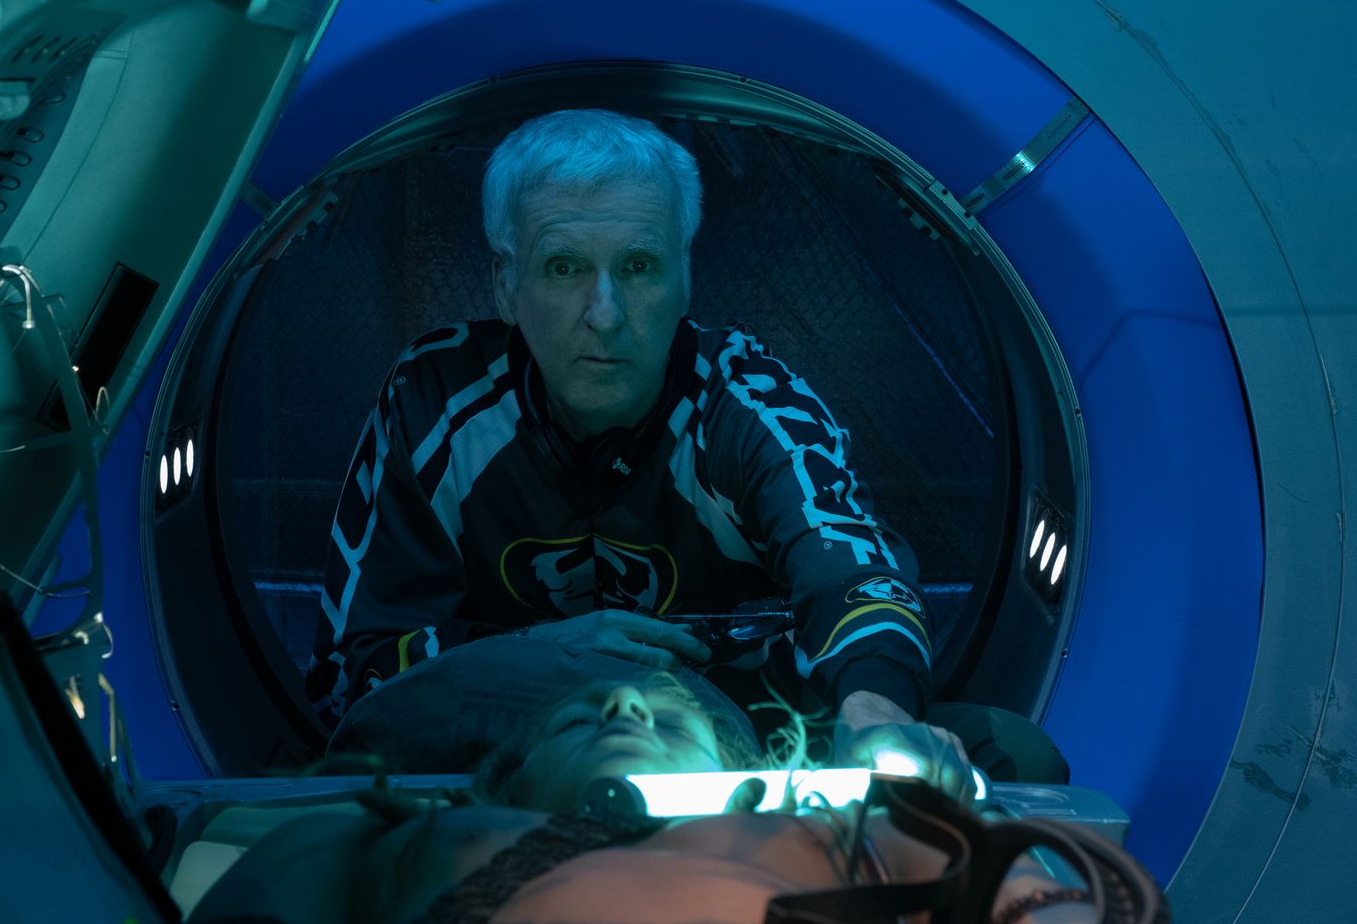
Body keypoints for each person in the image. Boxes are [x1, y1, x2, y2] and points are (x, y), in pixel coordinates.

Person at [306, 108, 1064, 795]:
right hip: (511, 745)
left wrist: (875, 713)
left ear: (685, 277)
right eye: (564, 267)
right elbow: (357, 672)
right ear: (506, 283)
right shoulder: (438, 397)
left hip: (740, 741)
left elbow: (850, 569)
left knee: (1010, 755)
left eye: (638, 267)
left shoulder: (743, 399)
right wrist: (544, 653)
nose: (604, 315)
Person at [191, 677, 1154, 924]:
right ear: (503, 782)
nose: (621, 705)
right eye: (578, 715)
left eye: (666, 715)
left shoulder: (861, 830)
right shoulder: (403, 842)